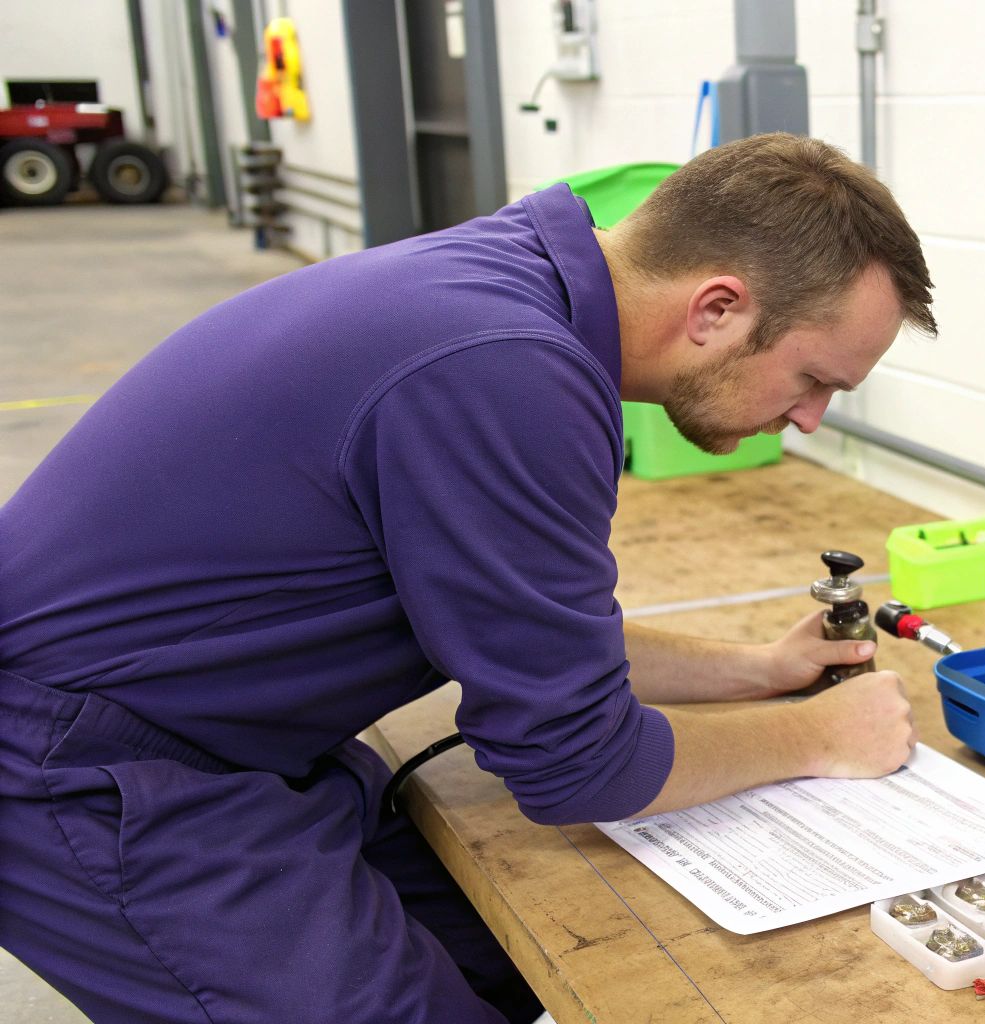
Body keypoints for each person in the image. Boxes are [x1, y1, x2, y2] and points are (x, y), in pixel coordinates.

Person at [0, 132, 935, 1023]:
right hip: (82, 763)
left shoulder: (514, 279)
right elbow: (577, 764)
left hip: (222, 728)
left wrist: (755, 669)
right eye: (814, 379)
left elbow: (517, 630)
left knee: (489, 951)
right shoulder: (507, 371)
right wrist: (815, 735)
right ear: (717, 308)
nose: (810, 418)